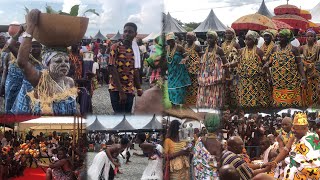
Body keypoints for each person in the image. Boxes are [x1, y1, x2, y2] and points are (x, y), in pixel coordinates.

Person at [16, 9, 78, 115]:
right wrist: (31, 26)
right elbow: (22, 62)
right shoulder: (40, 79)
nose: (64, 64)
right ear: (47, 64)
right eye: (58, 61)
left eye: (66, 61)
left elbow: (73, 108)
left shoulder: (69, 82)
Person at [267, 113, 320, 179]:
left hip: (305, 170)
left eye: (296, 129)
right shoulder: (294, 136)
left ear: (304, 128)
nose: (293, 130)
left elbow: (314, 161)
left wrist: (292, 161)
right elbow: (285, 150)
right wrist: (275, 162)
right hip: (288, 165)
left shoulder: (312, 137)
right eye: (293, 128)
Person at [265, 29, 307, 108]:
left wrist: (303, 78)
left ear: (288, 38)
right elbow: (269, 62)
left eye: (282, 37)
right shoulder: (274, 49)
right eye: (278, 37)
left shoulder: (294, 49)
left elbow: (299, 64)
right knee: (278, 104)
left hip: (291, 81)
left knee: (291, 104)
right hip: (278, 82)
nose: (279, 39)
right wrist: (267, 66)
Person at [229, 30, 270, 109]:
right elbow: (237, 62)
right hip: (244, 80)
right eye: (246, 39)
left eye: (249, 39)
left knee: (256, 98)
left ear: (254, 40)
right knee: (245, 98)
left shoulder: (259, 51)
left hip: (256, 80)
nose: (247, 41)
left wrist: (268, 75)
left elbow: (265, 63)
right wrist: (230, 65)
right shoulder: (241, 51)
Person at [108, 22, 143, 114]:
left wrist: (139, 88)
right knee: (119, 115)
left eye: (130, 32)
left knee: (127, 115)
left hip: (130, 89)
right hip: (116, 88)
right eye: (125, 31)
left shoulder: (135, 50)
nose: (127, 33)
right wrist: (121, 92)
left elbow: (136, 70)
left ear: (135, 34)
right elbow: (112, 69)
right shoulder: (115, 47)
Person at [197, 30, 229, 109]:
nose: (208, 40)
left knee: (215, 93)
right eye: (208, 38)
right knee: (205, 93)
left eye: (211, 38)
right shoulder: (205, 49)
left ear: (215, 39)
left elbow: (225, 63)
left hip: (216, 77)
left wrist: (228, 76)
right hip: (206, 75)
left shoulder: (219, 50)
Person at [193, 113, 222, 179]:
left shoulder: (199, 141)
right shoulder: (221, 144)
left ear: (205, 125)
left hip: (201, 177)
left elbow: (195, 162)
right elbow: (220, 165)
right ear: (218, 126)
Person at [166, 32, 191, 106]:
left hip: (179, 71)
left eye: (171, 40)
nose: (170, 42)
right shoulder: (167, 48)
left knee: (178, 88)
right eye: (168, 41)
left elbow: (187, 56)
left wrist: (185, 60)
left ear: (174, 40)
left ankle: (178, 103)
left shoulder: (179, 47)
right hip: (171, 72)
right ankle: (173, 103)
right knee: (171, 88)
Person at [300, 29, 320, 107]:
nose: (309, 38)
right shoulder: (302, 47)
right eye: (308, 36)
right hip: (305, 71)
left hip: (315, 71)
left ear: (314, 37)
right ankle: (307, 104)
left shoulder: (318, 47)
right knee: (306, 88)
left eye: (311, 36)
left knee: (316, 88)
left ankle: (316, 105)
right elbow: (297, 58)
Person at [221, 28, 240, 109]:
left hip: (234, 69)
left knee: (234, 86)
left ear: (233, 35)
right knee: (225, 87)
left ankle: (234, 105)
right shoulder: (222, 45)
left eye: (230, 33)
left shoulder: (236, 44)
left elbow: (239, 57)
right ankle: (226, 105)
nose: (228, 35)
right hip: (224, 68)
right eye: (226, 33)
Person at [184, 32, 201, 107]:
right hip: (186, 70)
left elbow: (201, 58)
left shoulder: (197, 47)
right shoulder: (184, 46)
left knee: (194, 86)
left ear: (194, 39)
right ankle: (187, 102)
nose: (187, 39)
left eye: (189, 38)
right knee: (187, 86)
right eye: (187, 37)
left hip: (195, 71)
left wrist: (195, 66)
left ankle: (194, 102)